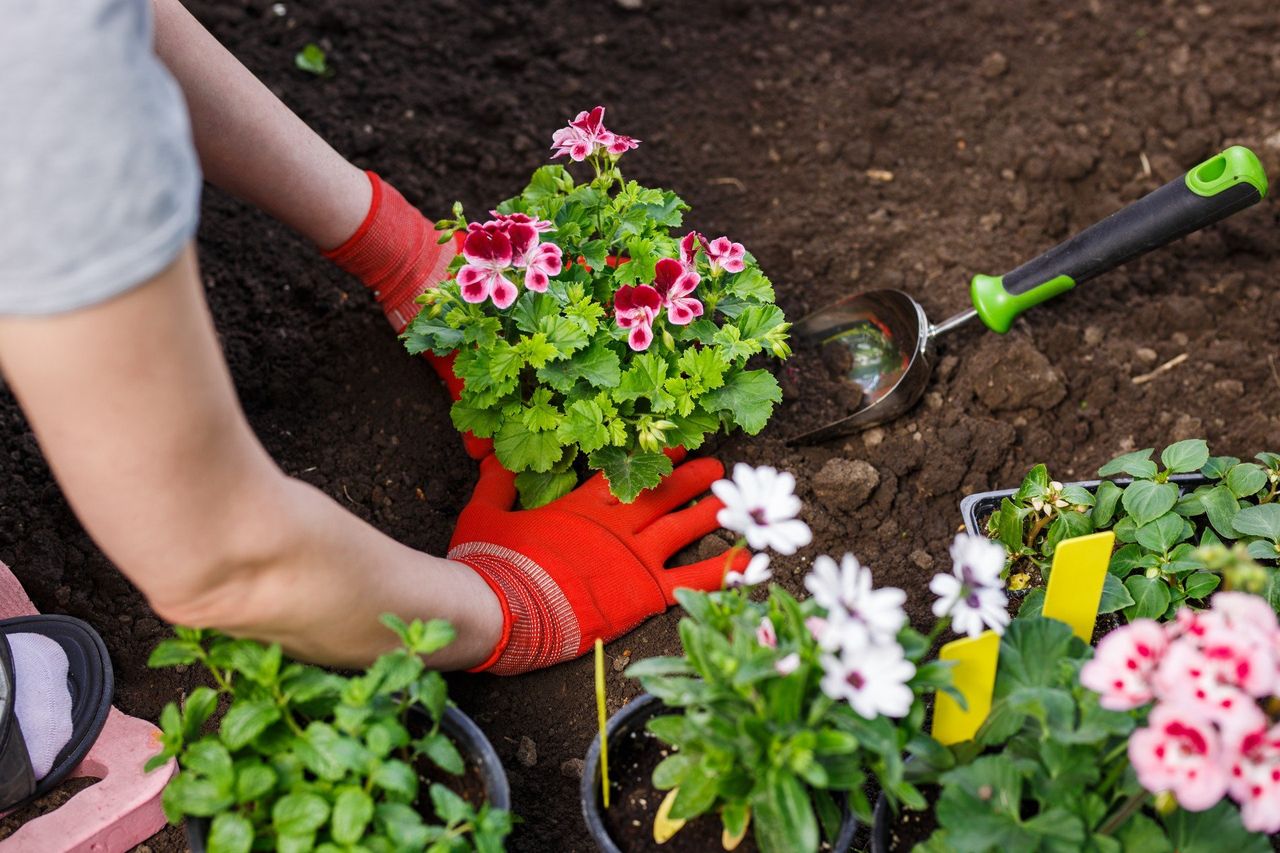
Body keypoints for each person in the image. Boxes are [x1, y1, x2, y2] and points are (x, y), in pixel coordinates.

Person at [0, 0, 742, 783]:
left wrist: (398, 248)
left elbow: (114, 22)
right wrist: (504, 608)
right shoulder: (40, 135)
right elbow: (221, 560)